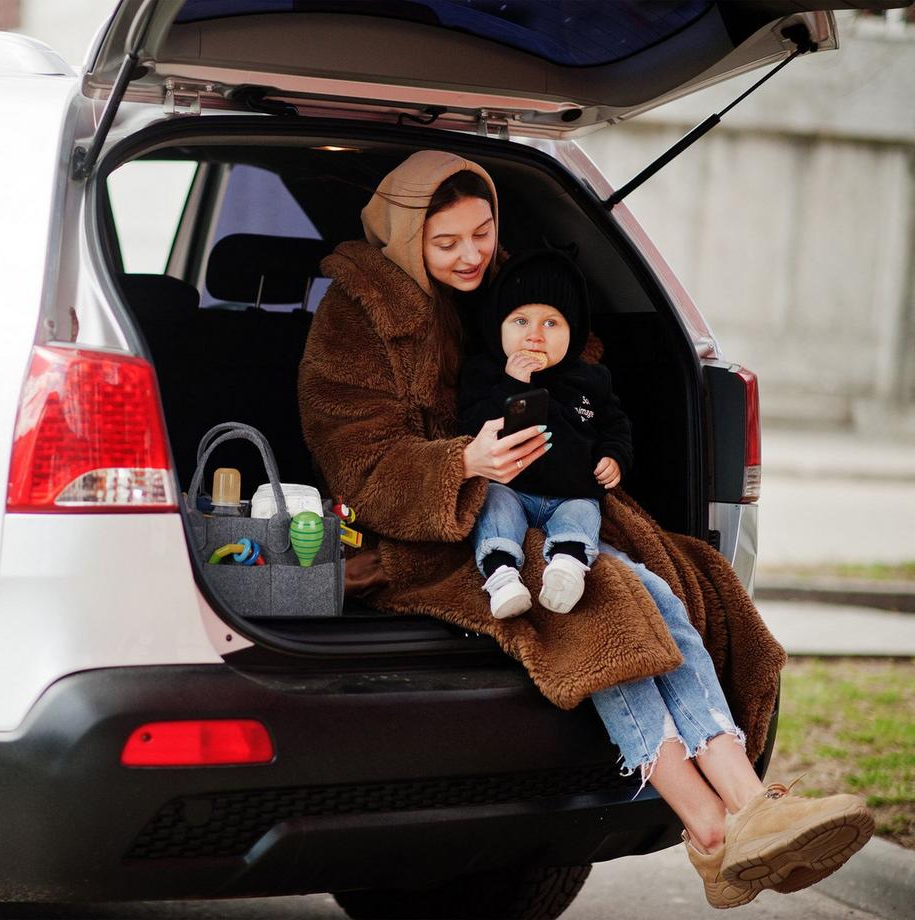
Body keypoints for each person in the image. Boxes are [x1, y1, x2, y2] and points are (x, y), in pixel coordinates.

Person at [298, 149, 874, 909]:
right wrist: (462, 460)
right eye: (447, 244)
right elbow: (354, 461)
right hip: (431, 535)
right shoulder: (356, 314)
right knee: (607, 595)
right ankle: (716, 823)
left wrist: (553, 371)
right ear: (406, 240)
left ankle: (741, 811)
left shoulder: (518, 286)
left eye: (482, 232)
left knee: (676, 587)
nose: (471, 255)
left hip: (552, 500)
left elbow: (585, 389)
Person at [458, 248, 633, 619]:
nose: (535, 336)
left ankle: (567, 567)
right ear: (497, 327)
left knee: (585, 512)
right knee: (492, 505)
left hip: (572, 491)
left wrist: (614, 455)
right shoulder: (484, 374)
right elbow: (472, 426)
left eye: (551, 324)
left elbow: (614, 423)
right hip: (512, 487)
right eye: (520, 322)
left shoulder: (590, 378)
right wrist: (511, 383)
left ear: (574, 332)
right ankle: (502, 575)